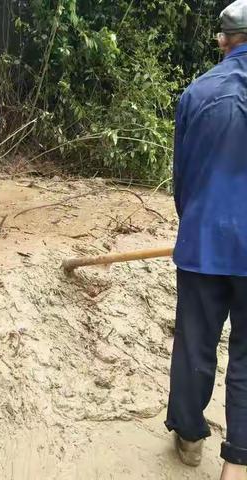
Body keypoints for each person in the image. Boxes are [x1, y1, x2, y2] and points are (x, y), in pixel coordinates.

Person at [166, 1, 247, 479]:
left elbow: (183, 179)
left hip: (203, 244)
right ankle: (236, 463)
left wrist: (194, 222)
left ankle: (191, 437)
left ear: (222, 40)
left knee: (195, 343)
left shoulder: (196, 94)